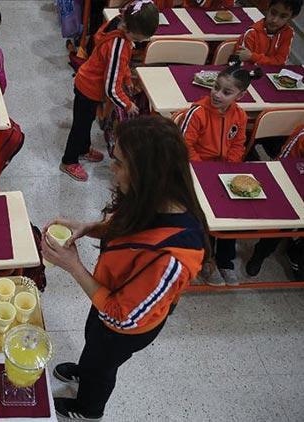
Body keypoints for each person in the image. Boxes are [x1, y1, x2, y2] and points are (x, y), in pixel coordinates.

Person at [42, 115, 208, 420]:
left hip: (126, 325)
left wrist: (73, 266)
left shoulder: (175, 255)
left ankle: (88, 409)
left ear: (146, 174)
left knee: (103, 364)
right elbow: (124, 226)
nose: (111, 168)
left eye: (117, 163)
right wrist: (87, 227)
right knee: (94, 343)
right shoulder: (147, 198)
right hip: (107, 297)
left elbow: (123, 316)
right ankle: (85, 370)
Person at [179, 60, 262, 286]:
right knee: (204, 216)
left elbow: (238, 143)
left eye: (227, 92)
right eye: (216, 87)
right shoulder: (197, 113)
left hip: (223, 172)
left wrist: (230, 167)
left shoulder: (240, 116)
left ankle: (226, 261)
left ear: (240, 95)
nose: (217, 94)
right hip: (195, 171)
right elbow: (185, 146)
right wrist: (206, 170)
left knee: (231, 213)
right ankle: (207, 259)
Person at [60, 0, 157, 182]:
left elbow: (121, 66)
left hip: (90, 85)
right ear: (129, 30)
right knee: (79, 126)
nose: (138, 42)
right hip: (88, 88)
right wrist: (127, 105)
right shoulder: (118, 46)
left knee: (87, 121)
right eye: (137, 39)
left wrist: (127, 78)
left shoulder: (119, 24)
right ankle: (69, 160)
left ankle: (83, 148)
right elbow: (111, 87)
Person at [246, 124, 304, 277]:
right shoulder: (302, 135)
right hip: (294, 183)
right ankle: (260, 254)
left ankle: (297, 252)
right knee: (284, 220)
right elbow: (282, 164)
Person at [234, 0, 301, 66]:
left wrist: (253, 57)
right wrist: (271, 61)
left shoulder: (288, 33)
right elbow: (244, 64)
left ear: (292, 17)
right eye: (273, 13)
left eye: (283, 16)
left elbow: (280, 61)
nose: (275, 20)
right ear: (268, 7)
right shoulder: (252, 33)